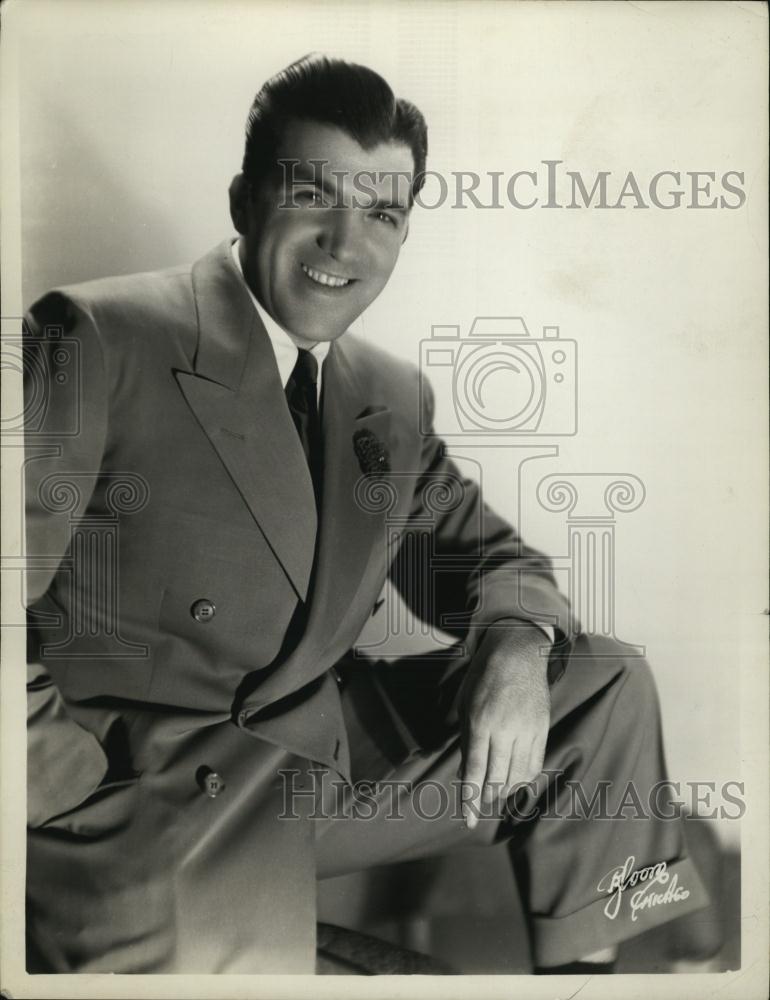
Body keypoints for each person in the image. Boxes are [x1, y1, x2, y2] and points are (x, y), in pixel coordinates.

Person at [24, 53, 709, 974]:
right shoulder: (100, 335)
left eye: (383, 214)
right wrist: (68, 803)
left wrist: (514, 639)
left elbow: (486, 561)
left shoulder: (385, 393)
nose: (346, 245)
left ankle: (595, 974)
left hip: (320, 765)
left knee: (602, 680)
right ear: (243, 200)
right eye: (314, 197)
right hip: (149, 795)